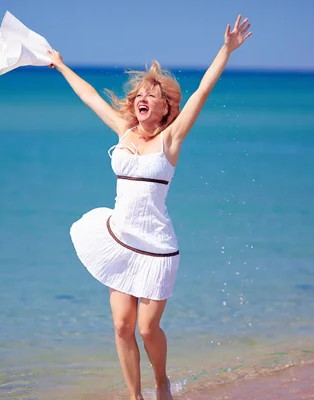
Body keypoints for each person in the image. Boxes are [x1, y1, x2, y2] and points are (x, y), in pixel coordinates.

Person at [47, 15, 252, 400]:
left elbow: (202, 93)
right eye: (139, 93)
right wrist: (60, 64)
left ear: (165, 108)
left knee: (146, 329)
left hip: (157, 248)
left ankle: (161, 381)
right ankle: (134, 396)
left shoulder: (171, 139)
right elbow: (90, 96)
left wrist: (225, 50)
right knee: (122, 327)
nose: (142, 97)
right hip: (120, 239)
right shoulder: (124, 131)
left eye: (151, 95)